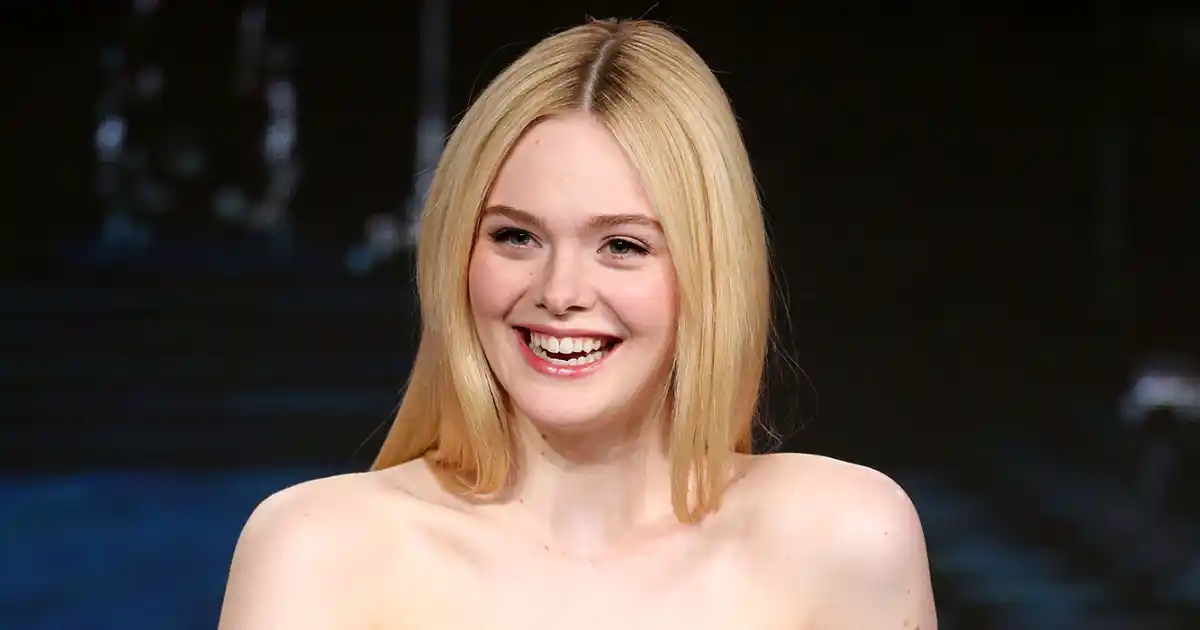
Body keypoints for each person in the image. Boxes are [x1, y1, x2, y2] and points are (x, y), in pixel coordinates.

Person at [218, 18, 937, 630]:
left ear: (710, 268)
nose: (559, 292)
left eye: (622, 246)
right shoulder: (317, 551)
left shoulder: (842, 538)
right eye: (515, 237)